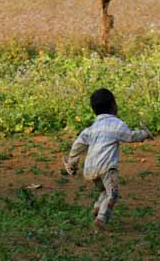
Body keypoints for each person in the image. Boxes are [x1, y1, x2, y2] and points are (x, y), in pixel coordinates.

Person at [62, 88, 153, 231]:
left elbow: (78, 144)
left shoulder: (92, 128)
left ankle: (97, 207)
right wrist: (144, 134)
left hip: (90, 169)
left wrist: (72, 161)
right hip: (107, 168)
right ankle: (101, 218)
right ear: (113, 106)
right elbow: (130, 136)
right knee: (112, 193)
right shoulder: (116, 124)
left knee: (104, 191)